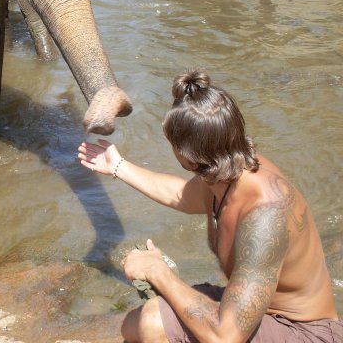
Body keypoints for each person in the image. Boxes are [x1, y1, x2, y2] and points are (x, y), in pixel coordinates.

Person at [77, 69, 341, 343]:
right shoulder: (226, 166)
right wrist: (118, 166)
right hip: (259, 317)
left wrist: (158, 272)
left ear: (185, 155)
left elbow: (225, 337)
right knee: (133, 325)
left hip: (306, 333)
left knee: (153, 322)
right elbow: (182, 195)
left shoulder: (266, 217)